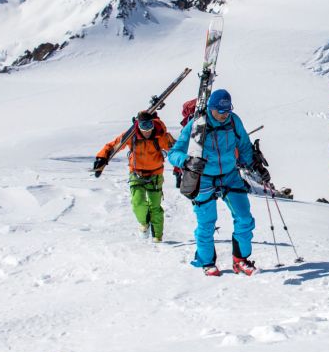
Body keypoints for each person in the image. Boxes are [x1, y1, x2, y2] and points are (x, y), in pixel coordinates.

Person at [167, 89, 260, 277]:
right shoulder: (197, 125)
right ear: (211, 108)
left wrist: (254, 166)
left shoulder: (234, 121)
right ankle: (206, 261)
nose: (224, 115)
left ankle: (240, 260)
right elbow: (173, 153)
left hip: (229, 175)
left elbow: (243, 146)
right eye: (220, 111)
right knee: (207, 223)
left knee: (245, 218)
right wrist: (186, 161)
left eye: (227, 111)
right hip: (204, 179)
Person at [94, 111, 176, 242]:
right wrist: (101, 157)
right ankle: (144, 223)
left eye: (150, 125)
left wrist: (182, 165)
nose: (147, 130)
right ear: (138, 125)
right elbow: (112, 145)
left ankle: (157, 238)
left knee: (155, 207)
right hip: (136, 173)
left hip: (155, 174)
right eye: (144, 126)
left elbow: (176, 149)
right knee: (138, 202)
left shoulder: (160, 137)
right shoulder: (131, 136)